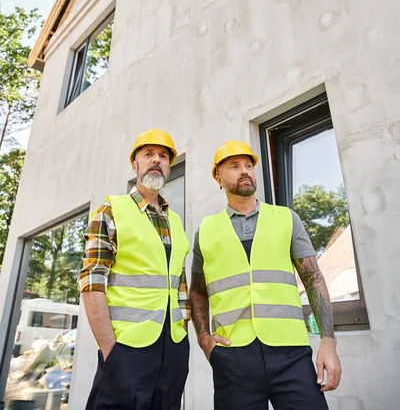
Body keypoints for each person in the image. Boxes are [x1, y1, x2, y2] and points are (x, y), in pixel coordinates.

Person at [190, 140, 341, 410]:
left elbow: (314, 279)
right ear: (218, 177)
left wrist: (328, 342)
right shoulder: (206, 230)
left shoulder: (286, 218)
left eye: (248, 165)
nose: (244, 170)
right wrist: (204, 340)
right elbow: (197, 291)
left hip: (291, 352)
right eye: (234, 166)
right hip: (232, 357)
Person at [79, 129, 190, 410]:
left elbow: (179, 283)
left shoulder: (175, 220)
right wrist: (109, 350)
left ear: (169, 166)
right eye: (148, 154)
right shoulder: (111, 210)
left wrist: (182, 334)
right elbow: (92, 282)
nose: (157, 160)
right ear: (135, 165)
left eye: (163, 156)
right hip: (125, 349)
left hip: (173, 348)